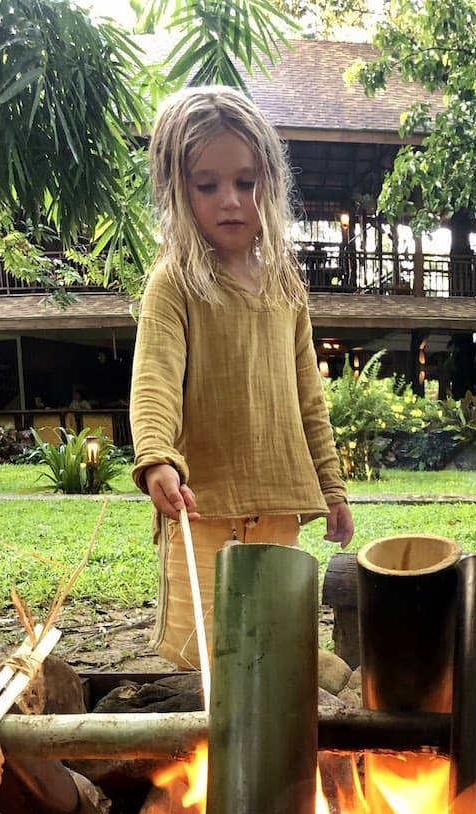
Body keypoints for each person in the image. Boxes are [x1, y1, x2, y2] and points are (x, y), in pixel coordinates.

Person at [130, 87, 353, 668]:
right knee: (207, 656)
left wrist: (332, 488)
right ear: (177, 190)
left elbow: (310, 397)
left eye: (246, 182)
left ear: (270, 186)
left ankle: (278, 750)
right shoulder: (172, 284)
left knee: (273, 649)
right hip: (199, 505)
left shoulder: (285, 284)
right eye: (207, 185)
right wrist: (157, 456)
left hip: (279, 502)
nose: (230, 200)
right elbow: (153, 378)